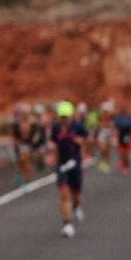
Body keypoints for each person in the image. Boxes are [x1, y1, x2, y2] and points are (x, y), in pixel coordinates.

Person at [49, 101, 87, 237]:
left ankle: (76, 206)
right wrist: (53, 156)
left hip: (75, 163)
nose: (64, 119)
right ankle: (67, 224)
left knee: (76, 194)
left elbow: (86, 141)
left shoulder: (78, 126)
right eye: (62, 116)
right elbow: (53, 143)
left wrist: (78, 141)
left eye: (66, 116)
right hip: (62, 165)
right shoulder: (56, 127)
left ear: (71, 115)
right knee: (64, 194)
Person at [112, 104, 131, 172]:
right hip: (120, 136)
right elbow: (115, 128)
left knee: (126, 153)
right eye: (122, 109)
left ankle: (125, 165)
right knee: (121, 152)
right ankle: (123, 164)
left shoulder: (130, 118)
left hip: (127, 135)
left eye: (125, 109)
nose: (123, 111)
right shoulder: (118, 118)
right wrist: (114, 136)